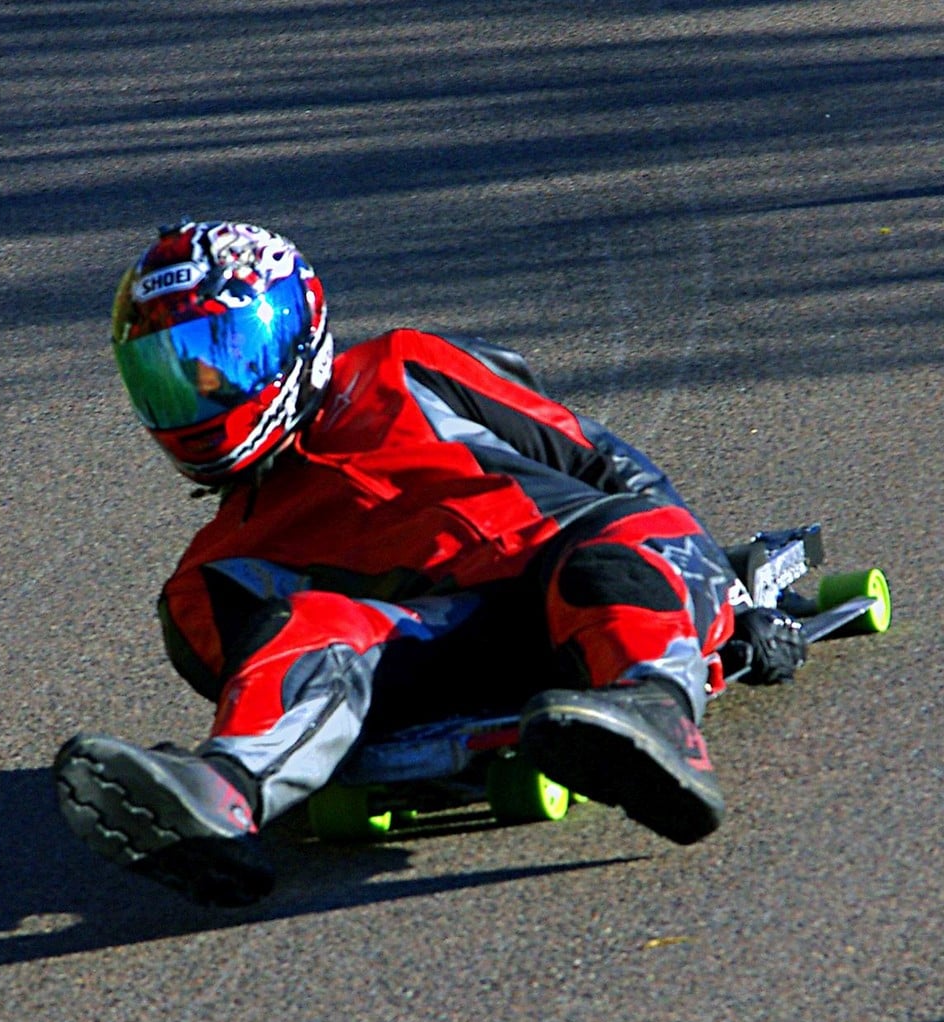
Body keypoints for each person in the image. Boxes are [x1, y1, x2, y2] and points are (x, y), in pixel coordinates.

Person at [53, 220, 807, 907]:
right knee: (312, 625)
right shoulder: (208, 576)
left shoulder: (408, 367)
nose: (198, 395)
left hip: (569, 564)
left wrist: (731, 603)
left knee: (616, 546)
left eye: (217, 363)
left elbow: (611, 467)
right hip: (437, 644)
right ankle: (219, 795)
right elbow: (262, 671)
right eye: (170, 376)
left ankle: (653, 713)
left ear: (293, 331)